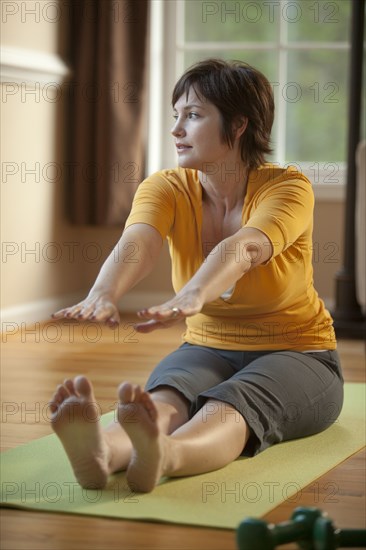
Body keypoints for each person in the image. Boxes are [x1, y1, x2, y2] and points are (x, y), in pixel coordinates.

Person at [51, 59, 343, 494]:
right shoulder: (166, 186)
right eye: (176, 116)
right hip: (207, 346)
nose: (176, 130)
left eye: (192, 115)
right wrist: (104, 292)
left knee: (233, 403)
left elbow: (243, 247)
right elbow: (140, 241)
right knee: (168, 397)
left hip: (299, 352)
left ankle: (168, 455)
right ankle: (103, 454)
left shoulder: (287, 187)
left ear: (239, 124)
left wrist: (193, 293)